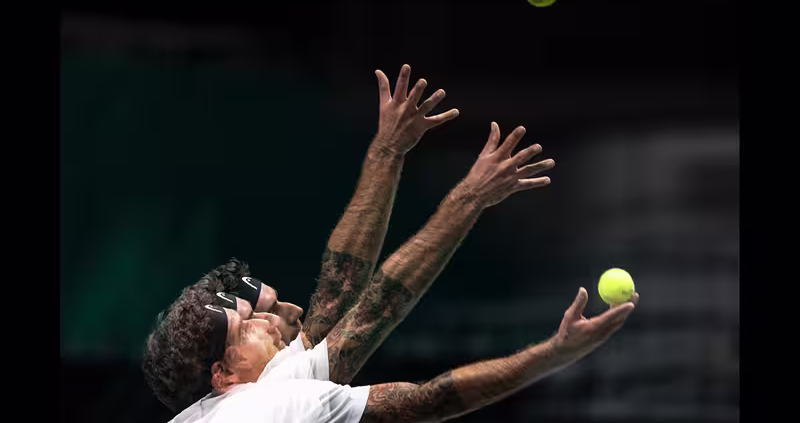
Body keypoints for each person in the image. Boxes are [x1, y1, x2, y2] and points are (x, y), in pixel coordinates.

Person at [142, 65, 637, 422]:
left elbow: (345, 297)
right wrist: (554, 354)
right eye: (246, 328)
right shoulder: (275, 406)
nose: (269, 319)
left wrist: (393, 152)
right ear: (223, 374)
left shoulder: (249, 397)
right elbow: (426, 401)